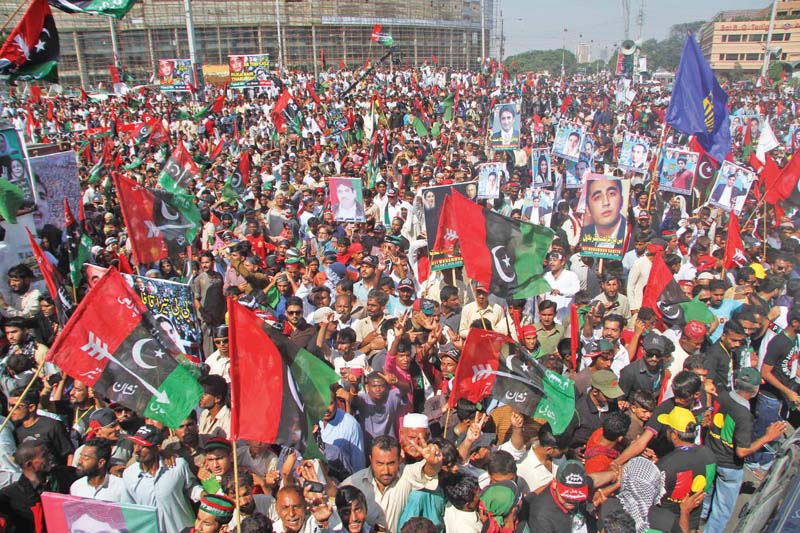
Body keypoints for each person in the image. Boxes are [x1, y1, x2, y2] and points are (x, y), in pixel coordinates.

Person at [704, 368, 786, 531]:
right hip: (729, 466)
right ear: (755, 390)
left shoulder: (722, 396)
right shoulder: (744, 415)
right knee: (721, 511)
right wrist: (767, 437)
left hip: (710, 455)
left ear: (736, 382)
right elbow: (742, 451)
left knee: (705, 497)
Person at [122, 424, 203, 533]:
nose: (137, 450)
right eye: (135, 444)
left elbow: (191, 488)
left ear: (157, 447)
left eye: (143, 446)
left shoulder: (178, 466)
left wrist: (202, 495)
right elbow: (129, 510)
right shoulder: (129, 474)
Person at [70, 438, 129, 502]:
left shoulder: (120, 487)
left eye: (86, 458)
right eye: (80, 456)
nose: (79, 461)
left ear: (101, 463)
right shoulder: (76, 486)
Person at [582, 178, 627, 250]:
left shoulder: (631, 234)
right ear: (587, 208)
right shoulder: (583, 235)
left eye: (612, 194)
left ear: (621, 200)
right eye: (597, 197)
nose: (606, 203)